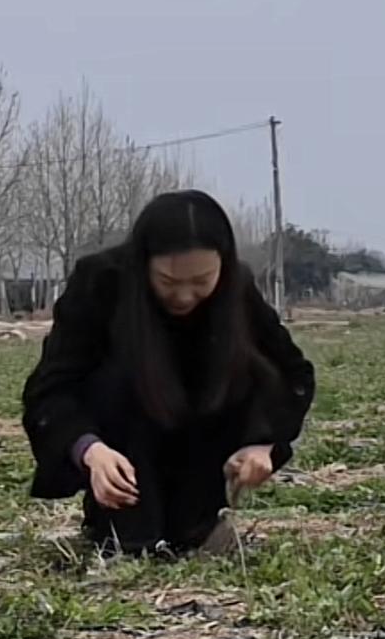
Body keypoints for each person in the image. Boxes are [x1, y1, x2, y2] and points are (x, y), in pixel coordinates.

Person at [22, 189, 315, 555]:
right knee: (130, 540)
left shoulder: (236, 287)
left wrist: (265, 443)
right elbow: (51, 389)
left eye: (201, 282)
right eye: (168, 282)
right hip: (124, 434)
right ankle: (119, 527)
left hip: (206, 433)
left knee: (242, 367)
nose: (184, 296)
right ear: (143, 263)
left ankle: (201, 521)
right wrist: (90, 451)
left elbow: (292, 374)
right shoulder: (101, 282)